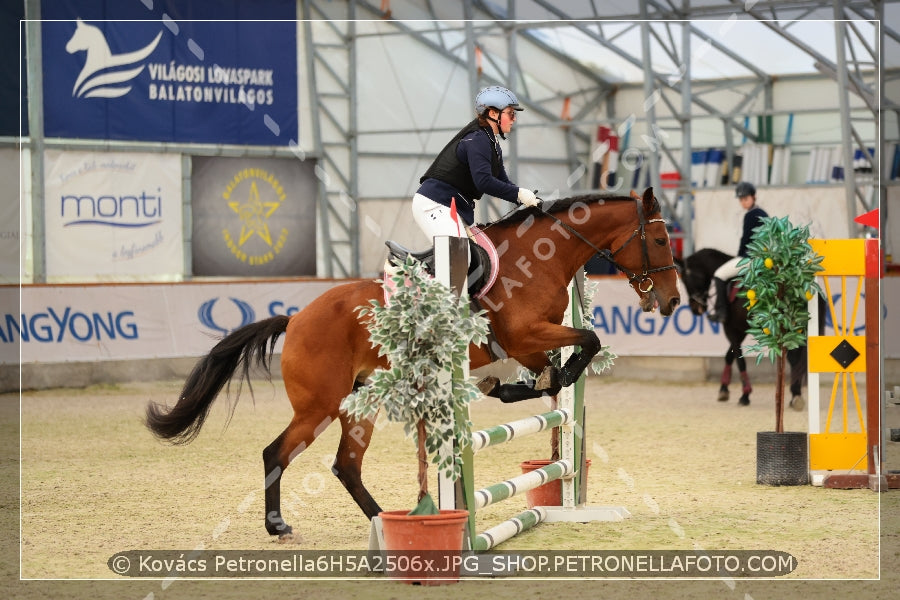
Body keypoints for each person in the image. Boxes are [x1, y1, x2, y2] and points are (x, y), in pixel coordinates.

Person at [411, 85, 539, 242]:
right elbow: (484, 182)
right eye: (511, 114)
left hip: (453, 206)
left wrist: (525, 199)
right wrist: (519, 194)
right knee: (456, 258)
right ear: (493, 113)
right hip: (436, 203)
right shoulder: (478, 139)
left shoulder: (491, 142)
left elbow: (502, 181)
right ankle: (405, 265)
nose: (514, 119)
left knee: (474, 260)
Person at [708, 181, 768, 323]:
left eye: (745, 199)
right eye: (741, 199)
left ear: (754, 197)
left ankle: (721, 312)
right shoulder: (763, 213)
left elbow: (746, 239)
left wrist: (740, 255)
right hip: (765, 258)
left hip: (752, 259)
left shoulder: (751, 215)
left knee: (719, 275)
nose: (743, 202)